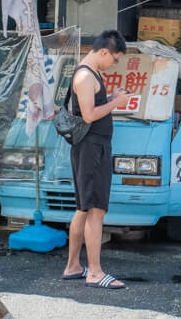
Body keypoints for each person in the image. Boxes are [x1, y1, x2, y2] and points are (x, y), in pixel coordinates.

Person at [63, 30, 131, 289]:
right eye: (114, 59)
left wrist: (111, 98)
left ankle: (73, 267)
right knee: (95, 210)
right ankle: (94, 272)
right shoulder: (84, 76)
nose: (114, 63)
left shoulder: (91, 74)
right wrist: (117, 103)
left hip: (91, 148)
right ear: (104, 51)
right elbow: (89, 115)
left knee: (83, 208)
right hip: (92, 149)